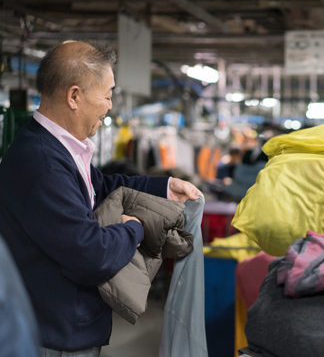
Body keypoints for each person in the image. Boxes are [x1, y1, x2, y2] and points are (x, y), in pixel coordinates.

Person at [0, 40, 202, 356]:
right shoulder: (43, 164)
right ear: (74, 96)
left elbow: (103, 185)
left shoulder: (59, 149)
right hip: (55, 338)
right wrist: (135, 226)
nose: (110, 105)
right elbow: (91, 255)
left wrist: (164, 187)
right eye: (106, 95)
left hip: (67, 329)